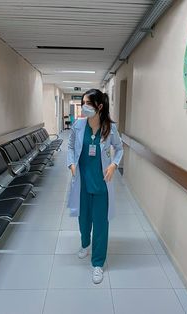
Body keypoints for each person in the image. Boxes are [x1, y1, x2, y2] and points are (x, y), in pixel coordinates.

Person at [67, 89, 123, 284]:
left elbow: (120, 148)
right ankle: (85, 244)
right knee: (83, 220)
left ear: (99, 106)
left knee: (100, 225)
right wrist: (71, 163)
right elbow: (71, 146)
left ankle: (98, 263)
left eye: (88, 104)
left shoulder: (110, 128)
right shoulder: (78, 125)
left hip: (101, 185)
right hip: (82, 183)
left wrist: (114, 164)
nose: (84, 107)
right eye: (83, 103)